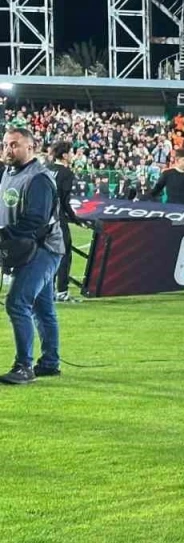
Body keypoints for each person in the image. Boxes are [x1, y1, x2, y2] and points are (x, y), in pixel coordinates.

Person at [0, 127, 61, 385]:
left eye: (14, 144)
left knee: (17, 302)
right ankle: (49, 363)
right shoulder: (8, 172)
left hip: (44, 248)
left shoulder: (39, 179)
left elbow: (36, 220)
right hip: (26, 248)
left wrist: (4, 234)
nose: (8, 149)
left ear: (30, 147)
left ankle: (24, 366)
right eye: (5, 144)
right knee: (42, 307)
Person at [46, 140, 87, 302]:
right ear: (64, 155)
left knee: (48, 255)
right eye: (70, 152)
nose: (72, 155)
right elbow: (64, 201)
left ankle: (47, 291)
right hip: (58, 219)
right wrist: (76, 219)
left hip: (43, 219)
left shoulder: (47, 169)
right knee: (64, 254)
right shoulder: (66, 173)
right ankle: (62, 292)